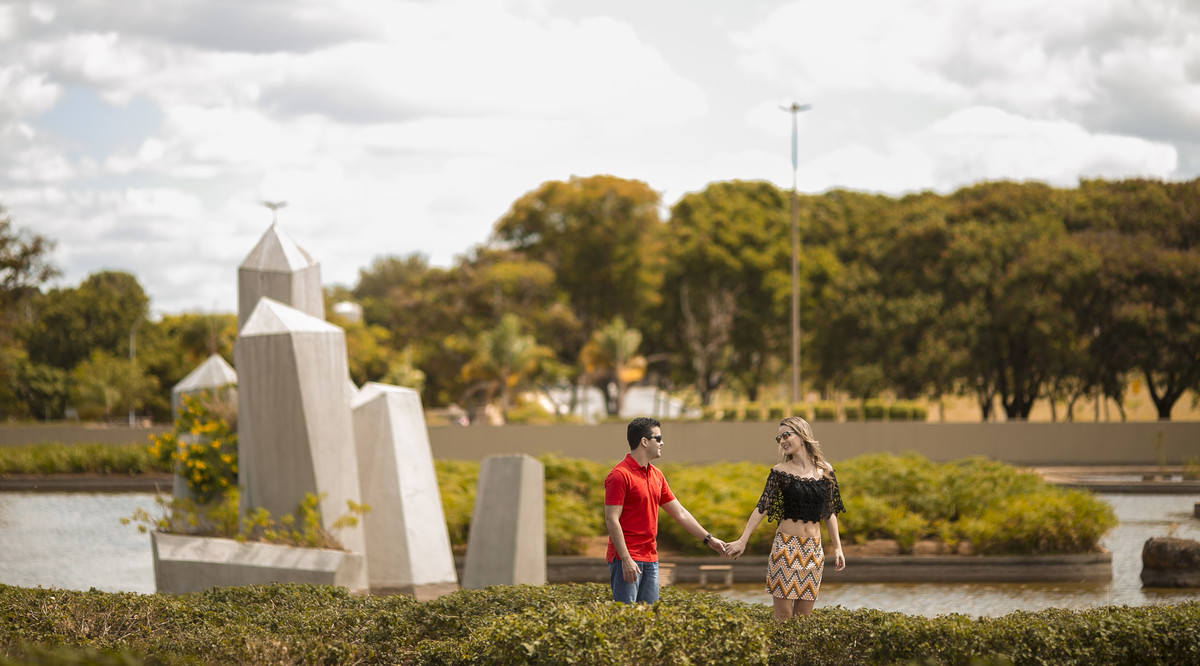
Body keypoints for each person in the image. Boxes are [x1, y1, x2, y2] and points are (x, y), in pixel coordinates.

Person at [725, 416, 846, 619]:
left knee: (803, 619)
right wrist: (743, 539)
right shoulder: (780, 472)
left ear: (803, 436)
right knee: (783, 616)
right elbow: (762, 507)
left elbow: (829, 512)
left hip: (814, 550)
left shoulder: (826, 471)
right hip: (786, 548)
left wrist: (838, 548)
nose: (782, 441)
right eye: (779, 437)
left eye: (786, 435)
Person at [604, 416, 728, 603]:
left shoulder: (656, 475)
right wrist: (626, 559)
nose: (663, 443)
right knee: (625, 620)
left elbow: (680, 513)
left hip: (651, 558)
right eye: (658, 438)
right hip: (627, 559)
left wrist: (708, 539)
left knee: (650, 620)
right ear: (644, 442)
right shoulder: (620, 475)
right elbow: (611, 519)